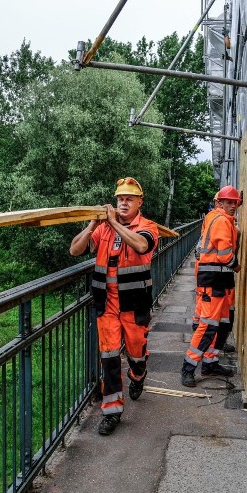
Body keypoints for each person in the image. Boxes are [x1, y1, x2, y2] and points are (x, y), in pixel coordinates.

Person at [69, 177, 159, 435]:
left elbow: (141, 245)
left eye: (129, 198)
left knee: (136, 353)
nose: (123, 202)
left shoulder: (148, 227)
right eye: (120, 198)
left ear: (139, 202)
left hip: (134, 306)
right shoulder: (103, 229)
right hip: (106, 304)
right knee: (108, 358)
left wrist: (112, 223)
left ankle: (138, 373)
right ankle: (112, 411)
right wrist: (91, 226)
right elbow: (75, 251)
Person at [182, 185, 242, 387]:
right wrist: (237, 265)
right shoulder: (222, 221)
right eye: (228, 202)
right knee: (208, 326)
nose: (232, 206)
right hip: (214, 280)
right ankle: (188, 367)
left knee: (223, 324)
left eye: (235, 202)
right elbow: (225, 255)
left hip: (219, 281)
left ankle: (210, 363)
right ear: (219, 203)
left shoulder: (219, 219)